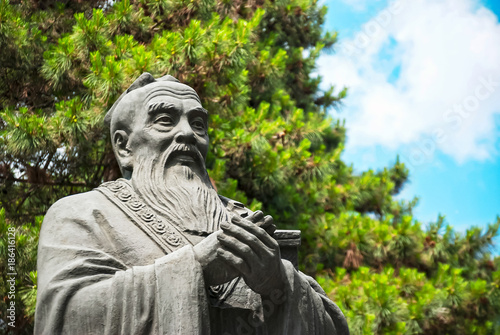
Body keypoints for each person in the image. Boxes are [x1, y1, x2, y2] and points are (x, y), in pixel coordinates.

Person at [35, 73, 349, 334]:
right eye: (164, 120)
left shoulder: (245, 223)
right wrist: (197, 267)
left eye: (198, 124)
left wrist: (278, 283)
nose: (187, 133)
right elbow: (63, 317)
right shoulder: (83, 214)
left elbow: (333, 327)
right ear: (123, 146)